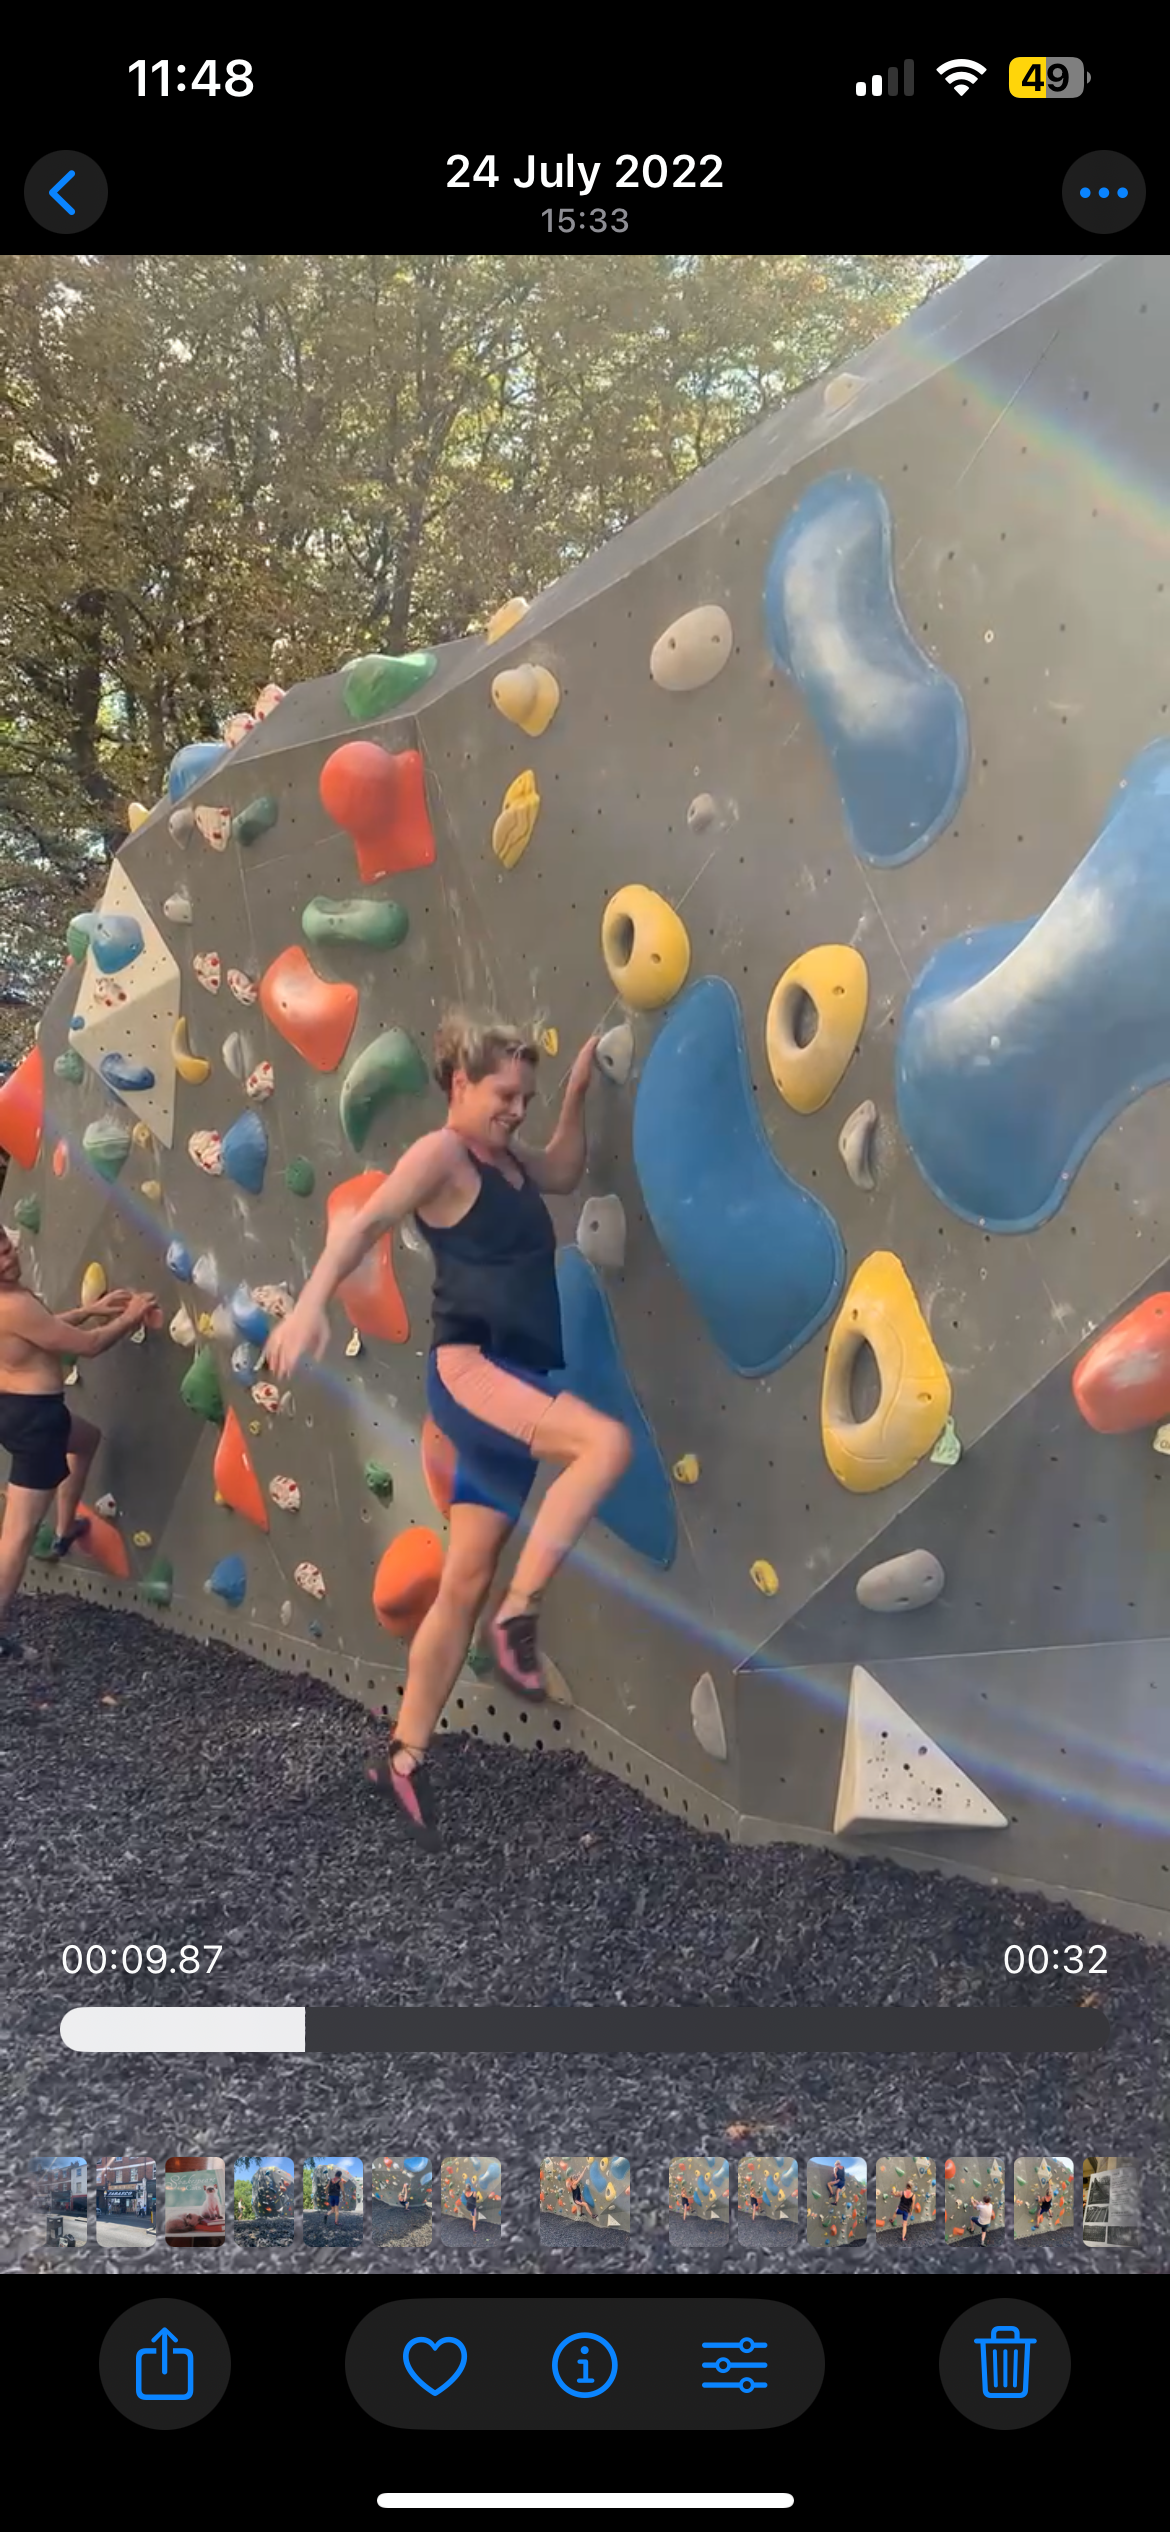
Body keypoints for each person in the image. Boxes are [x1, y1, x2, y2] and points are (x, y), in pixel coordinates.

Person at [265, 1012, 633, 1844]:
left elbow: (565, 1167)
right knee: (603, 1446)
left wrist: (577, 1091)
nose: (517, 1109)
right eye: (506, 1094)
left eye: (527, 1097)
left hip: (518, 1383)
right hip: (473, 1373)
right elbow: (362, 1225)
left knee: (463, 1580)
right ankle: (518, 1617)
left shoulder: (509, 1162)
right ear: (459, 1083)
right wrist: (309, 1308)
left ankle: (402, 1756)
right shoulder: (442, 1156)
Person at [0, 1227, 156, 1656]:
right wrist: (130, 1316)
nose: (9, 1261)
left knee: (86, 1440)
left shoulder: (11, 1304)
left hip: (16, 1410)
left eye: (8, 1250)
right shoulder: (13, 1303)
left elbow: (42, 1331)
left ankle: (65, 1529)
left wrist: (90, 1310)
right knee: (17, 1534)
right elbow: (88, 1347)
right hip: (37, 1422)